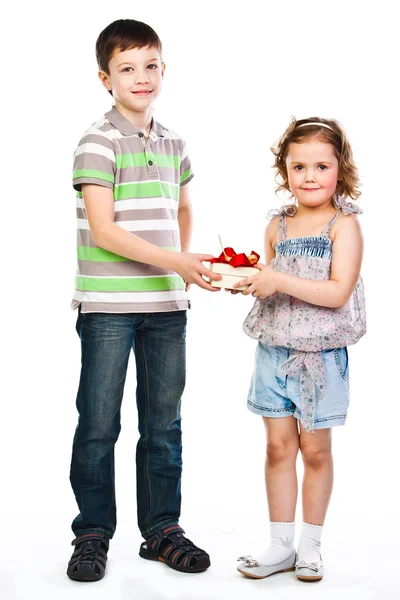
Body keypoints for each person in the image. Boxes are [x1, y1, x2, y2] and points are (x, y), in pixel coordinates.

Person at [67, 18, 220, 582]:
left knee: (163, 424)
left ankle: (160, 530)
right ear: (105, 78)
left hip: (165, 309)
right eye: (127, 68)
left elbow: (179, 211)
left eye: (151, 65)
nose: (141, 77)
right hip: (107, 307)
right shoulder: (96, 141)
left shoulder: (175, 141)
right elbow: (104, 231)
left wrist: (189, 267)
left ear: (163, 69)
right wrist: (179, 262)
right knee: (99, 424)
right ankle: (91, 533)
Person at [235, 117, 366, 582]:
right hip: (273, 354)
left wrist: (278, 280)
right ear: (284, 171)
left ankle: (310, 547)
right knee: (276, 448)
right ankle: (279, 546)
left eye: (321, 166)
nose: (309, 176)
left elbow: (336, 292)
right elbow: (273, 284)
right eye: (298, 167)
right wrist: (251, 282)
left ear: (339, 170)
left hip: (321, 359)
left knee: (315, 451)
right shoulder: (277, 226)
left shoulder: (344, 226)